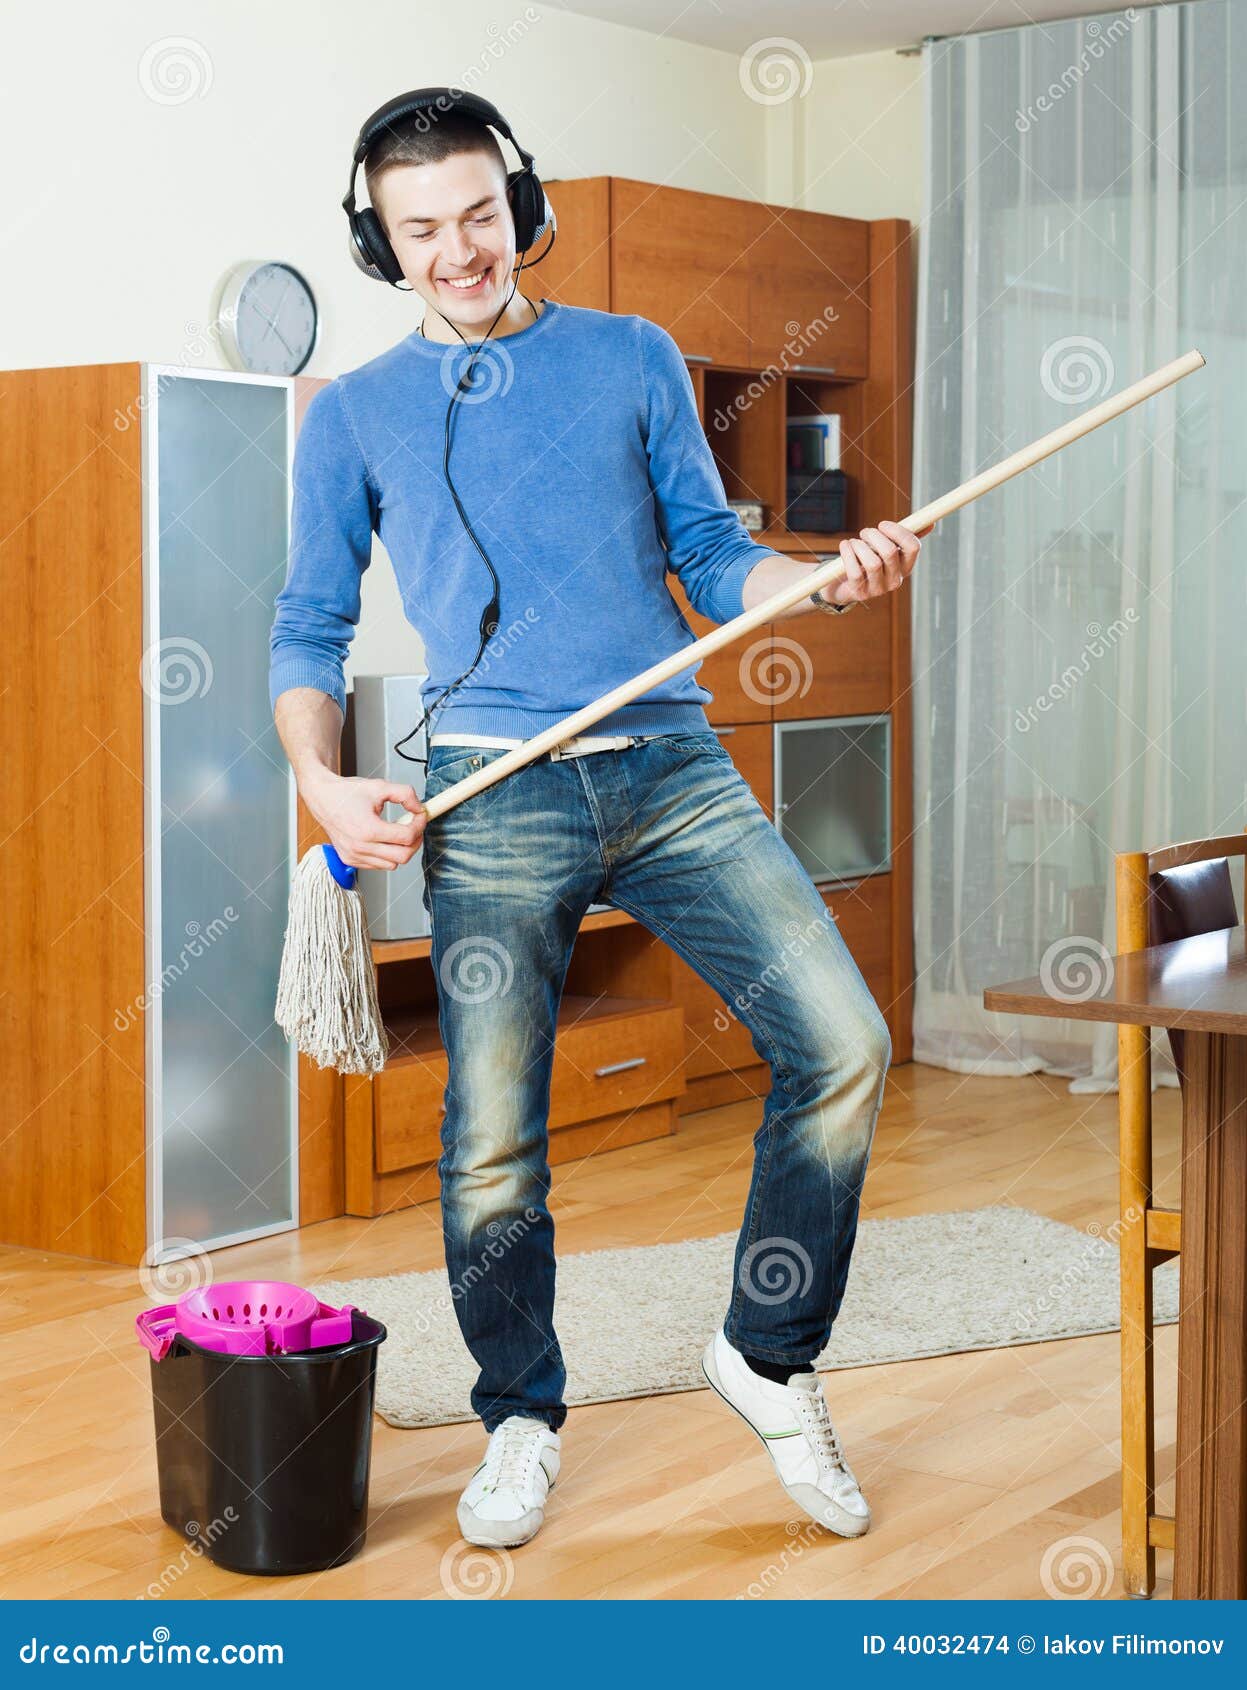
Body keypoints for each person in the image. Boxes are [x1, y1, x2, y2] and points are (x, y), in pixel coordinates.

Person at [269, 91, 924, 1552]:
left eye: (478, 216)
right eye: (420, 227)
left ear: (520, 202)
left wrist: (816, 579)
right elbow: (307, 629)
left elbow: (711, 550)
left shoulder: (630, 359)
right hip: (496, 796)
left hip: (671, 769)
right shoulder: (355, 416)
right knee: (493, 1134)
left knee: (841, 1043)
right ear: (378, 239)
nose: (457, 251)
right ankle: (518, 1413)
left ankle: (765, 1350)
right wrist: (317, 781)